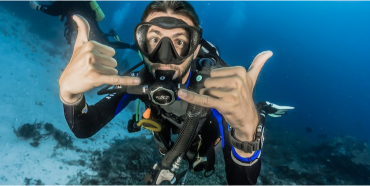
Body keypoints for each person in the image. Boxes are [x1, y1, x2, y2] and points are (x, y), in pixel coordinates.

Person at [58, 0, 294, 185]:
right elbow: (83, 126)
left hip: (205, 140)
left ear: (195, 49)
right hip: (172, 140)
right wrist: (69, 94)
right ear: (141, 45)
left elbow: (241, 183)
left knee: (243, 122)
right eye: (154, 39)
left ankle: (259, 111)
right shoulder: (140, 81)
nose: (165, 56)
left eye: (180, 42)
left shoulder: (214, 92)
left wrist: (246, 132)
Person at [29, 0, 136, 50]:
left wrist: (38, 7)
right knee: (98, 41)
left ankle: (131, 46)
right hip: (89, 19)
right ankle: (110, 34)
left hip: (87, 23)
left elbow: (54, 11)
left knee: (105, 44)